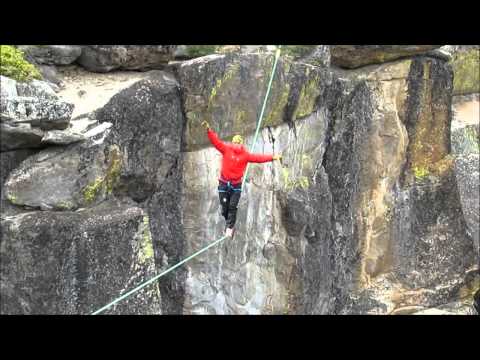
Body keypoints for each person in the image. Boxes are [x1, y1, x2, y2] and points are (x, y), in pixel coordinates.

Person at [202, 120, 281, 237]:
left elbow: (259, 158)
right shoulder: (226, 149)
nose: (236, 145)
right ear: (232, 143)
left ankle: (230, 228)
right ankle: (228, 223)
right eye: (235, 142)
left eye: (238, 143)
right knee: (224, 208)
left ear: (241, 144)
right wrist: (209, 130)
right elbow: (215, 142)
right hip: (223, 184)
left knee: (232, 206)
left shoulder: (245, 155)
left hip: (235, 186)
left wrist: (273, 157)